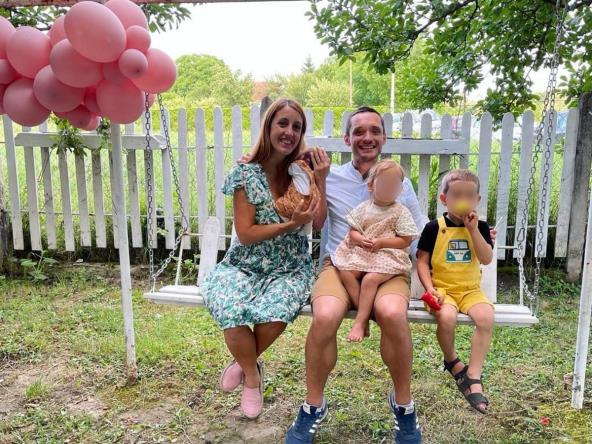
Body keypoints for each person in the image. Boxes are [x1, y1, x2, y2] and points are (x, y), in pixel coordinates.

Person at [285, 106, 428, 444]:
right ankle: (313, 405)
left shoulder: (399, 181)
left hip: (387, 267)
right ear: (347, 139)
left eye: (374, 131)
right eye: (359, 131)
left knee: (392, 312)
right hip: (340, 265)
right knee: (325, 314)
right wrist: (319, 179)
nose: (367, 137)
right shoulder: (331, 175)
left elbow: (419, 230)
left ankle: (404, 406)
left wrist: (469, 235)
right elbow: (316, 221)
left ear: (384, 138)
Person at [202, 98, 330, 419]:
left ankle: (243, 362)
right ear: (269, 126)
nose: (289, 132)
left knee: (276, 311)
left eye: (296, 127)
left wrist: (321, 180)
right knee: (230, 309)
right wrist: (289, 224)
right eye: (282, 123)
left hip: (290, 265)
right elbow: (245, 233)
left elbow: (318, 222)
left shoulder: (301, 173)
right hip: (244, 262)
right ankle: (252, 375)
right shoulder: (245, 174)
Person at [416, 169, 494, 414]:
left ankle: (473, 374)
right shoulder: (433, 227)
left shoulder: (481, 227)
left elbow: (486, 258)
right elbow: (421, 261)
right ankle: (451, 360)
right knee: (447, 317)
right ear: (444, 199)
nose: (463, 200)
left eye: (469, 196)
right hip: (442, 290)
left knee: (486, 317)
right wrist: (430, 289)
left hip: (470, 290)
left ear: (477, 200)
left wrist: (473, 230)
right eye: (457, 195)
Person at [333, 159, 419, 342]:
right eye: (384, 182)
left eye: (394, 184)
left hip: (388, 256)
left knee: (370, 280)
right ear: (371, 185)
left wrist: (382, 243)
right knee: (346, 273)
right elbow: (353, 231)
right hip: (364, 253)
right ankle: (366, 312)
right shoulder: (364, 208)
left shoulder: (400, 211)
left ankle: (360, 321)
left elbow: (405, 240)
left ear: (400, 189)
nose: (389, 187)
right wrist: (360, 240)